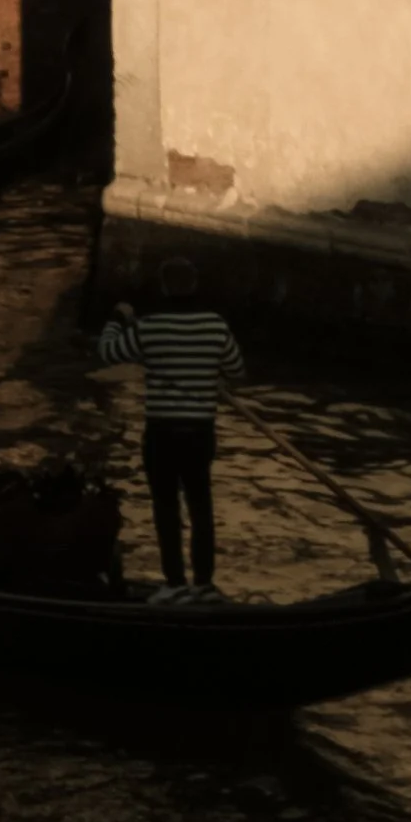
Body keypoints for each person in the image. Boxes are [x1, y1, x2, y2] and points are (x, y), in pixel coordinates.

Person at [96, 256, 245, 602]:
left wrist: (118, 319)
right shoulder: (215, 326)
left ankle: (175, 583)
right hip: (199, 432)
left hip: (162, 432)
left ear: (164, 288)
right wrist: (209, 371)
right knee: (201, 506)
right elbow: (237, 370)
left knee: (166, 507)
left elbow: (106, 352)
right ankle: (204, 584)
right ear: (194, 287)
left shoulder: (149, 327)